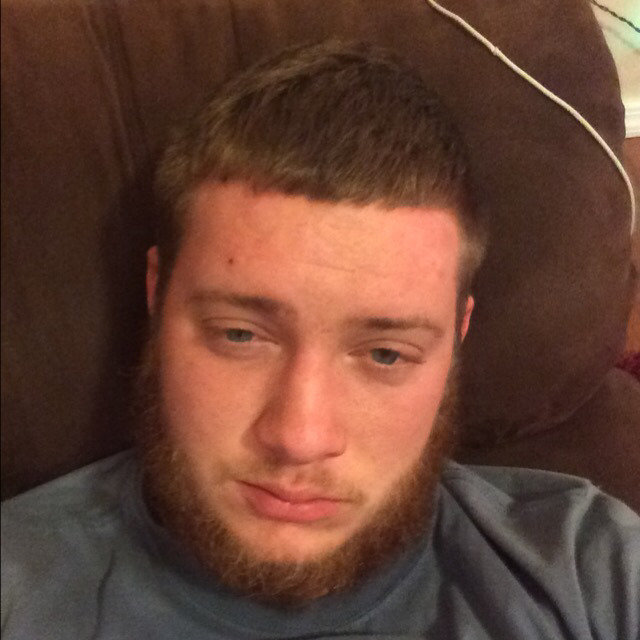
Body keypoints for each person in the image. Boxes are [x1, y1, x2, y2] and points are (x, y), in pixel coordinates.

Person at [1, 41, 638, 640]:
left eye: (385, 354)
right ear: (156, 293)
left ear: (457, 341)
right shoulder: (19, 589)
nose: (299, 437)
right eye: (240, 334)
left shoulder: (591, 573)